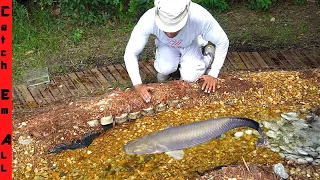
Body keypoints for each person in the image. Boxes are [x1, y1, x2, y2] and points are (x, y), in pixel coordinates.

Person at [124, 0, 229, 103]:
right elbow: (131, 52)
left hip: (190, 44)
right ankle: (168, 67)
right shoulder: (148, 19)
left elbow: (222, 41)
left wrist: (213, 73)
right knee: (164, 68)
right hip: (166, 45)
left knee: (191, 77)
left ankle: (208, 57)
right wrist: (137, 84)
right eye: (165, 28)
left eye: (175, 28)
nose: (170, 33)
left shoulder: (199, 16)